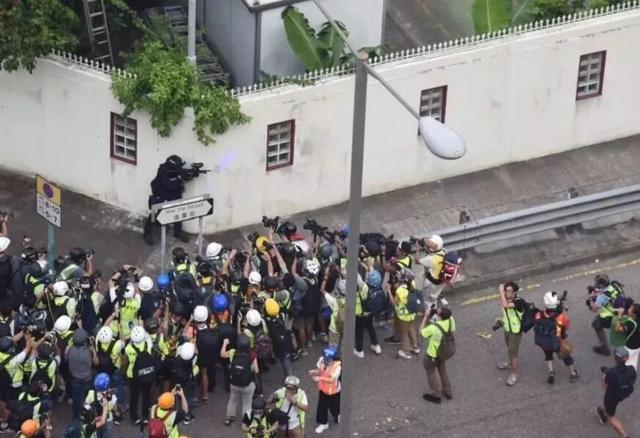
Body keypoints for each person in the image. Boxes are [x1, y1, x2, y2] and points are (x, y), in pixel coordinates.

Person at [143, 155, 190, 245]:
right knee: (154, 214)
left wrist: (189, 175)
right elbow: (169, 186)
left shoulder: (175, 172)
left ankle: (178, 232)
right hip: (161, 195)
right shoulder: (163, 171)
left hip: (174, 195)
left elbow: (182, 177)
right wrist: (179, 177)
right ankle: (147, 233)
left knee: (178, 212)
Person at [534, 291, 579, 384]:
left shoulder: (538, 315)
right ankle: (573, 373)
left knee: (548, 354)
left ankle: (551, 372)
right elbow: (567, 327)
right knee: (566, 356)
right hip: (557, 340)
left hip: (544, 342)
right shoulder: (560, 317)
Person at [596, 347, 636, 438]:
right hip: (625, 393)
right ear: (627, 358)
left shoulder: (611, 372)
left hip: (612, 396)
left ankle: (624, 435)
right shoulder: (632, 369)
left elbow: (605, 386)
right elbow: (632, 380)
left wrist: (605, 376)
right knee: (611, 406)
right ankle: (604, 411)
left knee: (611, 416)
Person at [419, 307, 455, 403]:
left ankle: (436, 394)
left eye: (438, 311)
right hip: (443, 352)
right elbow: (452, 332)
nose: (436, 310)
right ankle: (448, 391)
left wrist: (426, 316)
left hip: (433, 354)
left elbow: (421, 332)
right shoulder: (451, 320)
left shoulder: (434, 328)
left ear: (439, 316)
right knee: (442, 369)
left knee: (430, 371)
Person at [221, 335, 258, 426]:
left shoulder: (233, 352)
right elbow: (256, 370)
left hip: (234, 382)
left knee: (232, 400)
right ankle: (245, 422)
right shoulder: (252, 354)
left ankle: (229, 418)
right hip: (247, 384)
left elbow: (222, 354)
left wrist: (224, 344)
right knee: (247, 403)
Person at [496, 282, 525, 386]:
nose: (506, 293)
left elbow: (505, 305)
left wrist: (500, 291)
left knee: (513, 354)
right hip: (508, 329)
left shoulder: (519, 302)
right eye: (505, 290)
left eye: (509, 291)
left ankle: (514, 375)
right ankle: (509, 364)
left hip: (515, 332)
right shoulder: (507, 299)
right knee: (509, 349)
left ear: (515, 292)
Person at [588, 274, 624, 356]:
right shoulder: (615, 285)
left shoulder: (602, 297)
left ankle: (605, 349)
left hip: (610, 317)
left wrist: (591, 298)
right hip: (621, 312)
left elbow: (594, 309)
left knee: (596, 324)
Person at [386, 271, 419, 359]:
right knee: (411, 329)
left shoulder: (400, 291)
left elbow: (393, 302)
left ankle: (406, 352)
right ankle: (415, 347)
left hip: (404, 316)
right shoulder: (413, 283)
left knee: (404, 334)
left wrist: (389, 290)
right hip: (412, 313)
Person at [309, 347, 341, 434]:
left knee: (334, 406)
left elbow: (332, 379)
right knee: (322, 406)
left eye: (329, 360)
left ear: (334, 359)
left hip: (333, 391)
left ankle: (337, 415)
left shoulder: (337, 366)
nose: (326, 362)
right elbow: (320, 370)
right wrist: (314, 372)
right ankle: (324, 423)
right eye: (326, 359)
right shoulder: (322, 360)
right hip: (323, 389)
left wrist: (319, 378)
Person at [66, 329, 94, 420]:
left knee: (76, 399)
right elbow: (95, 362)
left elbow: (65, 358)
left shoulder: (70, 350)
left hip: (74, 377)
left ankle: (76, 417)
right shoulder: (88, 352)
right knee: (88, 398)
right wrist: (93, 349)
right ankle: (87, 415)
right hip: (87, 378)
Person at [354, 270, 382, 358]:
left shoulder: (364, 287)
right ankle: (376, 345)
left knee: (359, 331)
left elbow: (358, 280)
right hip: (371, 312)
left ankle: (359, 350)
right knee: (370, 327)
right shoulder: (378, 287)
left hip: (360, 313)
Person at [85, 373, 119, 438]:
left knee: (97, 434)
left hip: (95, 419)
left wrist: (91, 413)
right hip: (108, 419)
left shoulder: (91, 393)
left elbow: (86, 404)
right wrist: (117, 411)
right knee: (107, 435)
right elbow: (115, 408)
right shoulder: (112, 397)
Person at [417, 235, 447, 306]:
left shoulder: (430, 259)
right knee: (433, 297)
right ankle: (434, 307)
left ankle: (431, 314)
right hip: (441, 281)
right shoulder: (443, 251)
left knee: (427, 301)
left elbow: (417, 261)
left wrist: (418, 249)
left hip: (432, 282)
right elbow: (432, 251)